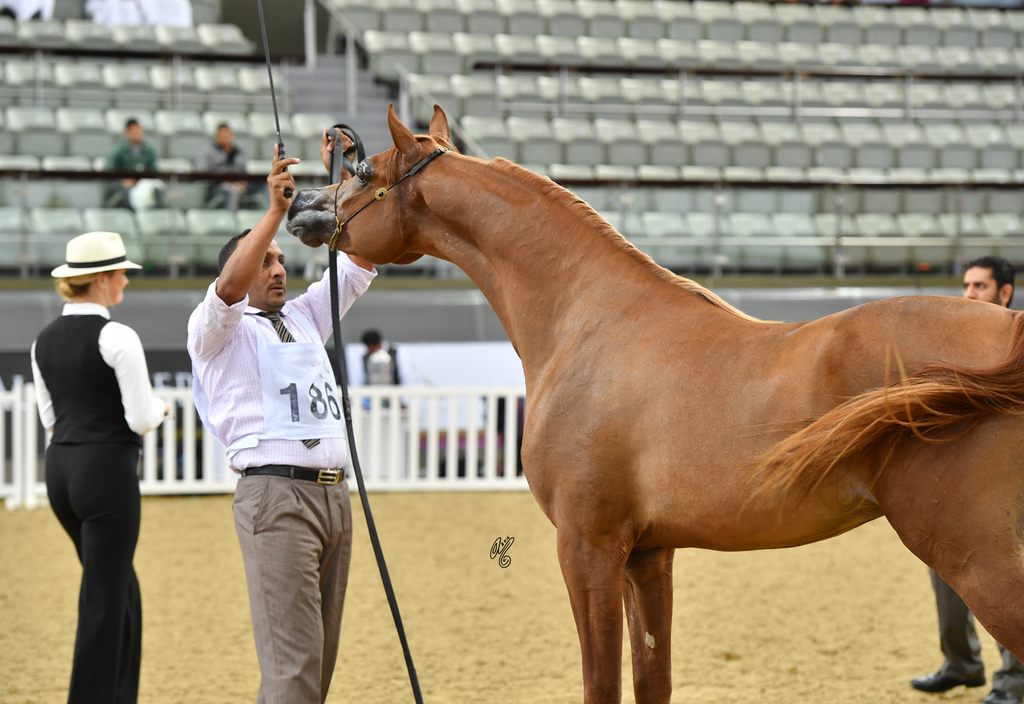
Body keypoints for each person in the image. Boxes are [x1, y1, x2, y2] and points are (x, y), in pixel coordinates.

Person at [187, 138, 376, 703]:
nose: (278, 268)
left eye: (280, 259)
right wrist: (273, 213)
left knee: (316, 669)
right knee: (292, 673)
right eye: (264, 259)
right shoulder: (217, 329)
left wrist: (341, 185)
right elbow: (226, 290)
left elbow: (359, 260)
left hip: (332, 498)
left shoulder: (302, 315)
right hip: (275, 497)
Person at [31, 230, 168, 704]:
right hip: (106, 475)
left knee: (119, 589)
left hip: (61, 473)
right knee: (104, 602)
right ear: (104, 280)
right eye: (122, 275)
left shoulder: (42, 340)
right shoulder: (117, 335)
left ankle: (120, 694)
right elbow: (140, 418)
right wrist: (163, 407)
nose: (126, 283)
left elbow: (51, 418)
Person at [911, 255, 1022, 704]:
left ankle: (1013, 682)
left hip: (1011, 477)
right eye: (966, 286)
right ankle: (961, 664)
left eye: (979, 286)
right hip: (963, 479)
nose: (969, 295)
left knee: (1003, 573)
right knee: (944, 568)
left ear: (1005, 293)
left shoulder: (1017, 337)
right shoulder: (960, 338)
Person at [197, 123, 261, 210]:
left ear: (231, 136)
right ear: (216, 136)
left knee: (265, 184)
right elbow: (202, 172)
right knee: (231, 190)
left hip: (237, 185)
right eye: (221, 134)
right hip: (216, 187)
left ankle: (275, 217)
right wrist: (224, 180)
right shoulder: (208, 152)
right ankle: (231, 219)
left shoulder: (238, 152)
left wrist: (242, 181)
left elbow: (244, 171)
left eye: (227, 134)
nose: (224, 137)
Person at [103, 118, 161, 211]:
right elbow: (108, 169)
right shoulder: (119, 149)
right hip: (123, 185)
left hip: (143, 184)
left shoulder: (149, 150)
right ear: (127, 132)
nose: (137, 133)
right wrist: (122, 180)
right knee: (125, 193)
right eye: (134, 130)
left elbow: (153, 170)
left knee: (157, 191)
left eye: (139, 130)